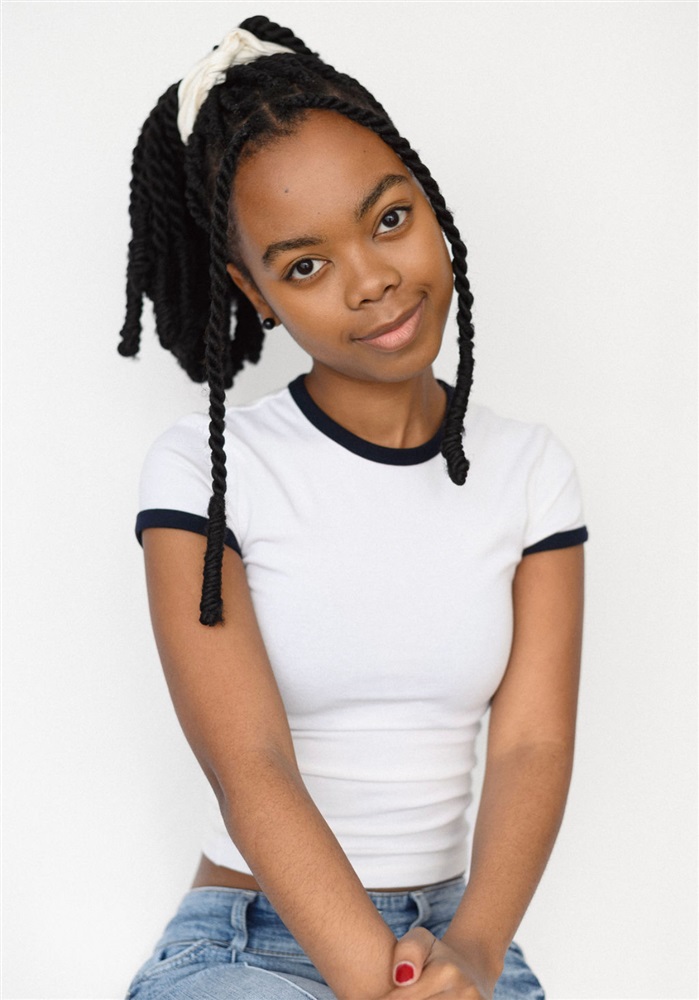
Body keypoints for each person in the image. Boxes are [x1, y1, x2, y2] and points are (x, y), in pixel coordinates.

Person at [119, 16, 587, 1000]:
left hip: (455, 949)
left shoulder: (529, 471)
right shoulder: (209, 470)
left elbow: (533, 745)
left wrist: (475, 952)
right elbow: (250, 767)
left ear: (428, 199)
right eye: (304, 265)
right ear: (253, 292)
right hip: (251, 943)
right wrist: (381, 987)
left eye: (389, 219)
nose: (373, 281)